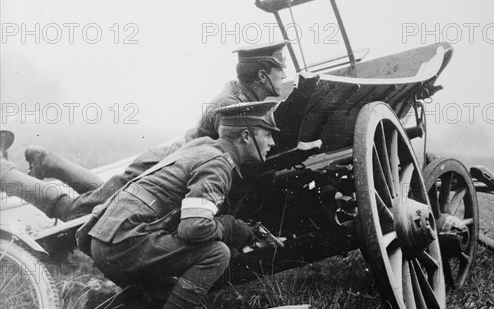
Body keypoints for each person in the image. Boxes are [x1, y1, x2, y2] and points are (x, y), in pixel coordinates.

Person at [0, 42, 288, 221]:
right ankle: (8, 175)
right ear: (262, 76)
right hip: (162, 167)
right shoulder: (230, 105)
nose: (284, 76)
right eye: (280, 70)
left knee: (105, 198)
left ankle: (50, 163)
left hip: (169, 165)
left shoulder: (244, 98)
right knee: (77, 210)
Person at [88, 101, 279, 309]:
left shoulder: (201, 147)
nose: (272, 142)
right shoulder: (218, 164)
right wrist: (229, 228)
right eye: (267, 135)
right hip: (125, 244)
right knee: (217, 254)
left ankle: (93, 302)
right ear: (245, 136)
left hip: (105, 239)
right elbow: (193, 227)